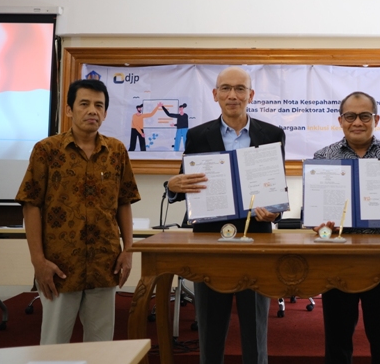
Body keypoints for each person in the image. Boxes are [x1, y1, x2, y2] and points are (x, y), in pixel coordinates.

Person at [167, 66, 285, 364]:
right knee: (210, 325)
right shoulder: (197, 135)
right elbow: (186, 183)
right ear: (215, 94)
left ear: (251, 95)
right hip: (210, 242)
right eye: (226, 88)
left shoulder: (272, 134)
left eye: (240, 89)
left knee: (255, 327)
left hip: (256, 240)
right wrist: (172, 187)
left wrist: (273, 213)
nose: (233, 95)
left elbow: (275, 188)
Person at [15, 79, 141, 345]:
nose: (92, 110)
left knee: (100, 346)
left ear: (105, 113)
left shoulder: (116, 151)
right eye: (84, 104)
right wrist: (38, 261)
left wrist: (128, 251)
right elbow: (31, 204)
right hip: (59, 267)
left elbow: (124, 202)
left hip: (105, 263)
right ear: (69, 109)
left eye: (99, 105)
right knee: (53, 346)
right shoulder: (46, 150)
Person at [313, 91, 380, 364]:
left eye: (364, 116)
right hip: (338, 259)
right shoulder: (324, 156)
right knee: (337, 339)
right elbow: (315, 211)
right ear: (340, 120)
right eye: (350, 116)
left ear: (376, 120)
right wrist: (318, 224)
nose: (357, 122)